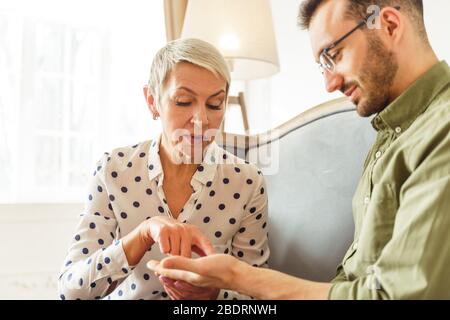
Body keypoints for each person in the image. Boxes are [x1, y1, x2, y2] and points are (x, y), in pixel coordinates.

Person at [148, 0, 450, 299]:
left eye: (333, 56)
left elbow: (400, 295)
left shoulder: (441, 132)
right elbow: (353, 282)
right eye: (322, 66)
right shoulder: (390, 137)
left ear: (389, 25)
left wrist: (238, 276)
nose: (330, 83)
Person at [58, 38, 269, 300]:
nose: (202, 120)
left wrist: (214, 296)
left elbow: (259, 297)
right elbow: (71, 291)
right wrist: (142, 235)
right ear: (152, 101)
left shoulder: (247, 182)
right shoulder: (113, 170)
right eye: (183, 101)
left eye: (215, 104)